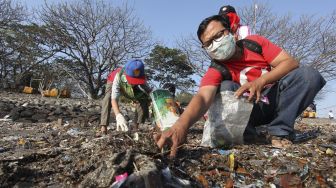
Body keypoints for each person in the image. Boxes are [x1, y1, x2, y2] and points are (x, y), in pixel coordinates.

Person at [155, 15, 326, 158]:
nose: (215, 44)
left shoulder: (255, 43)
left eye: (218, 36)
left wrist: (261, 81)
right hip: (246, 113)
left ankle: (280, 132)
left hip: (274, 101)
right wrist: (180, 126)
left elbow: (290, 63)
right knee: (226, 86)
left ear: (232, 32)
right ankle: (249, 134)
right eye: (208, 44)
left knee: (309, 76)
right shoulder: (216, 68)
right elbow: (203, 97)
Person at [99, 59, 151, 134]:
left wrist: (153, 98)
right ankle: (103, 127)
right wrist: (118, 115)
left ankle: (136, 126)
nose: (134, 82)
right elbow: (114, 99)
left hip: (128, 86)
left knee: (143, 97)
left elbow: (148, 90)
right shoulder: (118, 76)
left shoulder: (140, 75)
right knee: (108, 97)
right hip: (113, 81)